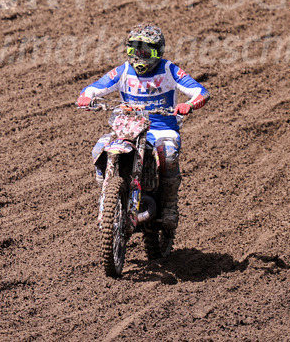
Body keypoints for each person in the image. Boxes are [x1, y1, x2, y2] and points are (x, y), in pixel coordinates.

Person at [75, 23, 209, 230]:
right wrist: (86, 97)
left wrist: (188, 104)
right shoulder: (124, 71)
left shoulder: (169, 70)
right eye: (134, 50)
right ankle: (109, 200)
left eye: (146, 51)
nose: (139, 56)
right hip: (127, 126)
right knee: (99, 149)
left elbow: (200, 91)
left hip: (161, 127)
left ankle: (169, 207)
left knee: (169, 153)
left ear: (158, 52)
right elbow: (95, 87)